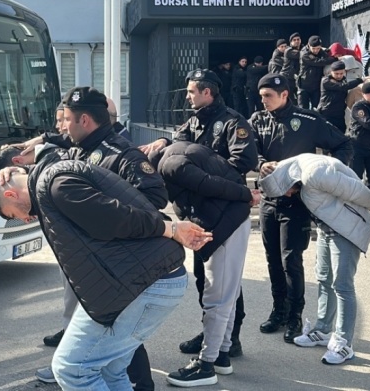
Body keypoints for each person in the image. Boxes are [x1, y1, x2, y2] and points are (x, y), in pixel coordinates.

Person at [0, 159, 211, 391]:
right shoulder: (53, 180)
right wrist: (22, 169)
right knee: (111, 371)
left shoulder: (57, 185)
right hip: (149, 280)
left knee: (71, 368)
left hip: (140, 284)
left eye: (15, 214)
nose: (26, 219)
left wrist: (171, 228)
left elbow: (117, 218)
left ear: (11, 195)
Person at [11, 86, 168, 387]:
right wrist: (16, 167)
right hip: (93, 258)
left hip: (120, 259)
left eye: (67, 120)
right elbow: (56, 153)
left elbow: (155, 198)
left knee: (122, 336)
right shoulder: (79, 149)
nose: (63, 127)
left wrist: (106, 210)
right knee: (108, 336)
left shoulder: (122, 154)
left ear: (84, 120)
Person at [140, 68, 258, 360]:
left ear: (207, 92)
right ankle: (211, 332)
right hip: (197, 213)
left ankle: (230, 338)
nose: (187, 96)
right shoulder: (193, 121)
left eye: (192, 91)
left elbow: (243, 161)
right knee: (204, 278)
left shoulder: (232, 122)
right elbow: (178, 146)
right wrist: (163, 142)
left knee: (225, 282)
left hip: (223, 208)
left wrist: (201, 170)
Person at [248, 74, 352, 344]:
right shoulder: (258, 120)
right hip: (270, 200)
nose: (263, 100)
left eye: (268, 96)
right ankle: (279, 311)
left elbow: (343, 144)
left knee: (291, 260)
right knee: (272, 259)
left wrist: (321, 178)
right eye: (261, 96)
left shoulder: (308, 120)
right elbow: (247, 150)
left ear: (285, 94)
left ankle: (295, 316)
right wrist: (261, 164)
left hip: (296, 202)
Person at [151, 141, 255, 387]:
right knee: (227, 294)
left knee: (216, 298)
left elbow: (209, 183)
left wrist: (246, 195)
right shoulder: (179, 150)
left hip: (226, 223)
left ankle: (206, 365)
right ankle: (221, 355)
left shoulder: (169, 164)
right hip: (232, 219)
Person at [259, 153, 370, 365]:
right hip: (327, 228)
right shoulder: (297, 171)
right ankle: (323, 330)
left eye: (283, 189)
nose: (286, 195)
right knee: (324, 278)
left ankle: (344, 343)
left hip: (346, 229)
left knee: (342, 286)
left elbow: (356, 190)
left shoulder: (314, 173)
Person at [318, 60, 364, 133]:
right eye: (336, 74)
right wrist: (359, 80)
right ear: (331, 72)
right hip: (327, 112)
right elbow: (342, 87)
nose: (339, 76)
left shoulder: (343, 79)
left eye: (341, 73)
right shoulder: (326, 81)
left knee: (341, 131)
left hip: (339, 112)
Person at [297, 36, 333, 110]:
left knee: (317, 108)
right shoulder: (304, 53)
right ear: (308, 45)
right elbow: (318, 62)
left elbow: (326, 55)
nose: (316, 50)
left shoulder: (320, 51)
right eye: (313, 48)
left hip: (316, 85)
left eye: (318, 48)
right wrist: (334, 59)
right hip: (304, 85)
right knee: (303, 109)